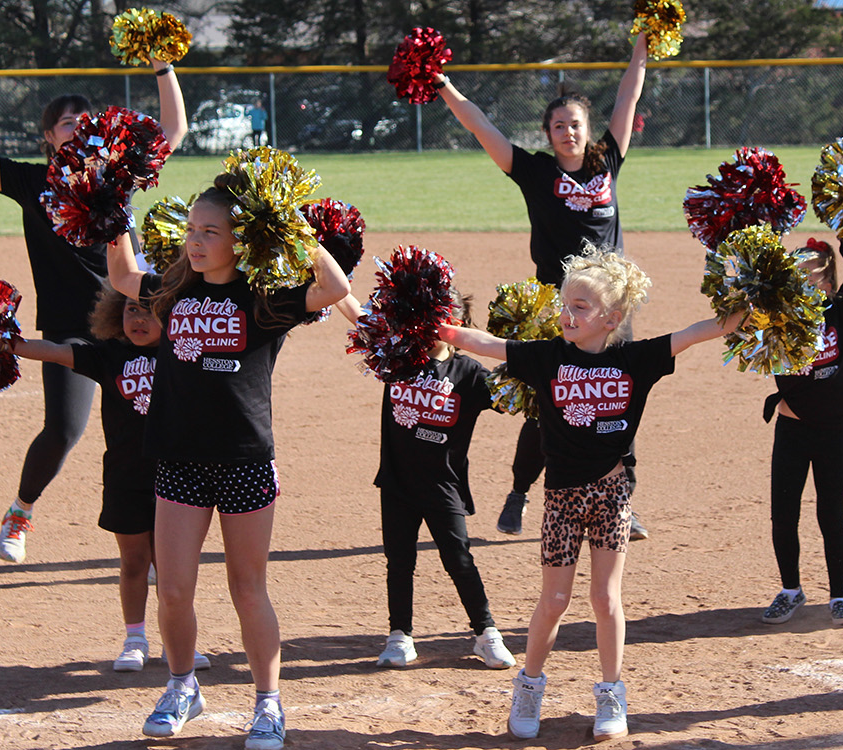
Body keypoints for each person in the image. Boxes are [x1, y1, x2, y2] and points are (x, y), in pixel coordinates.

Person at [440, 247, 742, 741]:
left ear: (611, 318)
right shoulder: (546, 356)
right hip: (562, 498)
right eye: (566, 304)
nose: (568, 314)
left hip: (612, 495)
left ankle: (611, 694)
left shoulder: (635, 359)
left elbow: (700, 331)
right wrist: (439, 328)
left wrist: (752, 305)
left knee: (605, 598)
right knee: (555, 600)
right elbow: (485, 341)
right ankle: (529, 686)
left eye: (581, 306)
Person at [104, 174, 349, 748]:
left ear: (241, 240)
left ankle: (268, 702)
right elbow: (120, 276)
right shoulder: (171, 292)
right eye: (192, 229)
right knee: (174, 590)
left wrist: (289, 225)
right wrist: (113, 207)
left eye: (210, 231)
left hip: (244, 460)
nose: (195, 240)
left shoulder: (262, 300)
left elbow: (333, 287)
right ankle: (182, 684)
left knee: (248, 587)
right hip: (181, 461)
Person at [0, 58, 187, 564]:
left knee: (150, 425)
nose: (77, 128)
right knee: (65, 429)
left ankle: (157, 542)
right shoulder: (32, 184)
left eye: (82, 121)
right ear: (49, 136)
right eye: (67, 122)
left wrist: (162, 66)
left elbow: (173, 129)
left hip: (134, 318)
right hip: (74, 324)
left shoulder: (117, 176)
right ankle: (20, 513)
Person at [435, 34, 650, 539]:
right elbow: (480, 125)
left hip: (613, 309)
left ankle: (622, 496)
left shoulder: (606, 162)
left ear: (587, 130)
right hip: (561, 305)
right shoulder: (534, 171)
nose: (568, 132)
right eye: (559, 126)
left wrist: (641, 46)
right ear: (548, 133)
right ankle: (519, 491)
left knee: (618, 398)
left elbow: (628, 97)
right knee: (550, 403)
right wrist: (442, 84)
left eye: (575, 124)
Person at [5, 282, 210, 674]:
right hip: (126, 476)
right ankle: (135, 639)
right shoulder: (109, 355)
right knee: (134, 562)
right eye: (131, 309)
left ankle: (177, 641)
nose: (138, 318)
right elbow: (56, 351)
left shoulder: (186, 354)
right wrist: (7, 342)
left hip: (179, 480)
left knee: (174, 568)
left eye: (150, 310)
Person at [331, 291, 515, 671]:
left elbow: (516, 400)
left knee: (460, 559)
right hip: (397, 482)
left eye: (441, 319)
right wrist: (330, 278)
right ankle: (400, 636)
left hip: (443, 485)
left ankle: (486, 633)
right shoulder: (398, 358)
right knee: (399, 561)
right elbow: (355, 313)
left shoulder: (470, 374)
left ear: (458, 327)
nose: (431, 326)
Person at [759, 240, 843, 628]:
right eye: (797, 275)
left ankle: (839, 595)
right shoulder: (779, 317)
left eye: (813, 275)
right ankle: (791, 590)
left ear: (828, 279)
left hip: (833, 432)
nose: (805, 281)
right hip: (792, 429)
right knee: (783, 515)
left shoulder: (841, 310)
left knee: (831, 513)